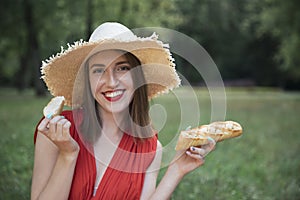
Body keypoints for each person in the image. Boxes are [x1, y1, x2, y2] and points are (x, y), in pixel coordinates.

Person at [31, 22, 216, 200]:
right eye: (98, 70)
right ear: (87, 81)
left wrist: (176, 170)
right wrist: (68, 154)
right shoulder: (56, 132)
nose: (111, 82)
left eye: (122, 68)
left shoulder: (150, 148)